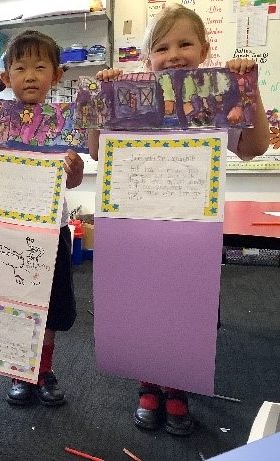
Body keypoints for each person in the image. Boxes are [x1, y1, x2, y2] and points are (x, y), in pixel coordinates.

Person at [89, 4, 269, 436]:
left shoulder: (214, 99)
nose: (173, 55)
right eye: (161, 48)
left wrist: (250, 91)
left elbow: (254, 148)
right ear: (147, 58)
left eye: (185, 44)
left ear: (204, 50)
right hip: (137, 228)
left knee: (184, 306)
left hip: (192, 232)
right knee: (142, 304)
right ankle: (148, 385)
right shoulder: (130, 102)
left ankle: (178, 387)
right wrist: (102, 99)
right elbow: (96, 151)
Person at [0, 30, 85, 407]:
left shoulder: (62, 123)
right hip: (5, 230)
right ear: (6, 76)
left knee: (48, 305)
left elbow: (73, 181)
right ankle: (19, 371)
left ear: (56, 75)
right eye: (20, 68)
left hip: (50, 228)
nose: (30, 76)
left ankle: (43, 370)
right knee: (14, 300)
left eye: (40, 67)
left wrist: (74, 167)